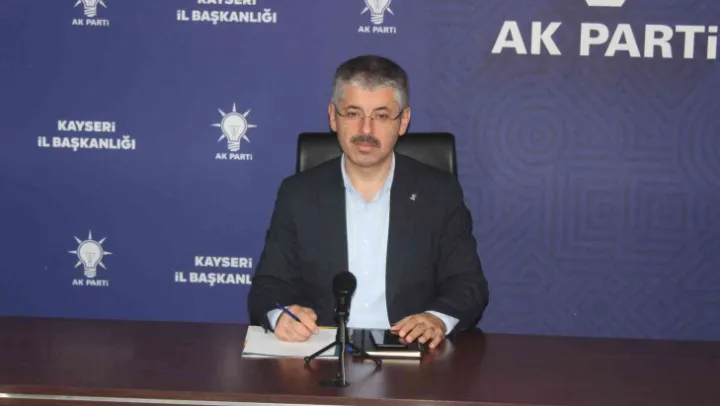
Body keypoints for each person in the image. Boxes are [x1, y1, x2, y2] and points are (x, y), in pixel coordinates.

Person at [247, 55, 488, 349]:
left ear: (403, 122)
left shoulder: (438, 192)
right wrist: (281, 315)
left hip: (411, 355)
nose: (366, 130)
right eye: (353, 113)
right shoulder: (298, 194)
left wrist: (436, 319)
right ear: (333, 117)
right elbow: (268, 286)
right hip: (322, 354)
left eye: (382, 116)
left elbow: (467, 284)